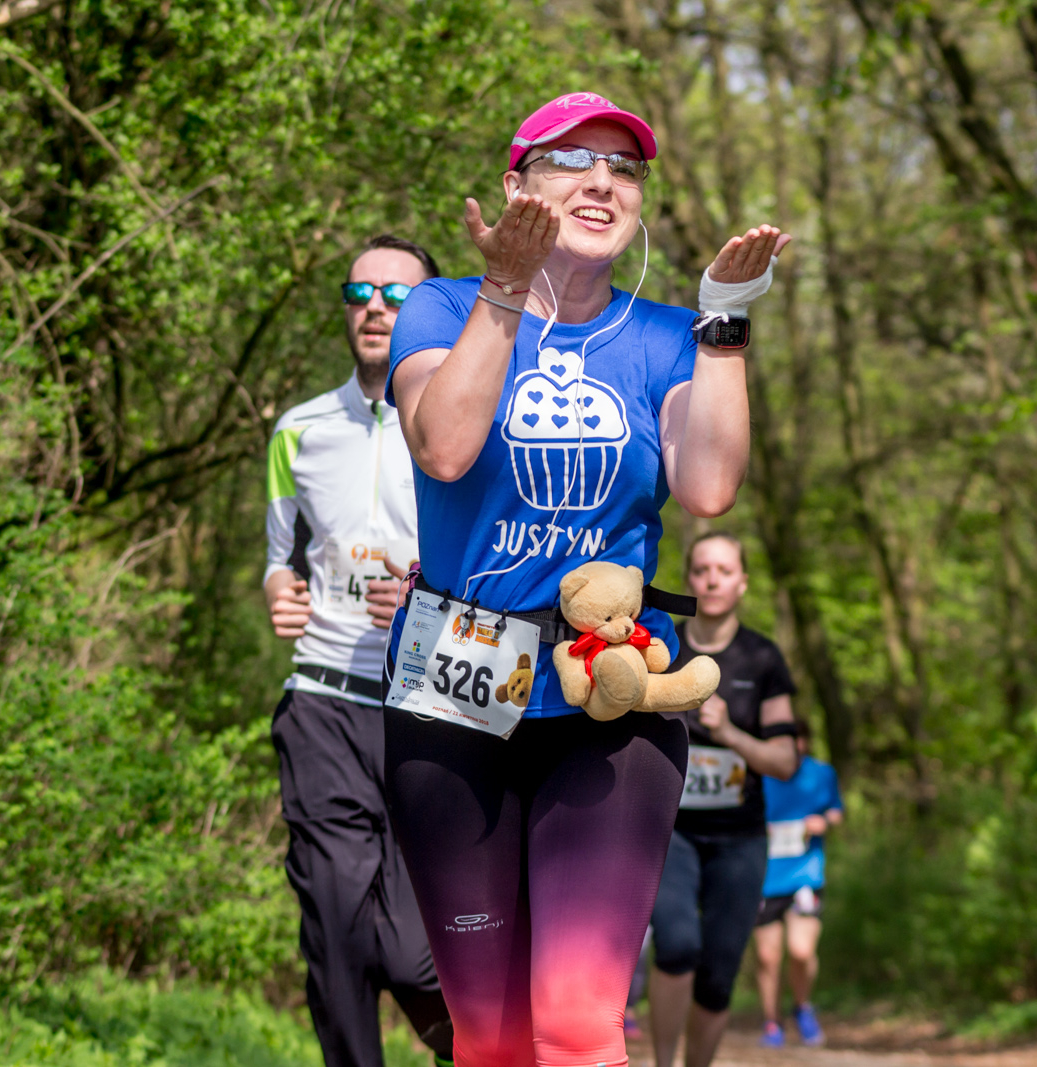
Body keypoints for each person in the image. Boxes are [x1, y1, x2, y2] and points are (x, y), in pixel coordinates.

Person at [382, 90, 791, 1067]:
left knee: (574, 1021)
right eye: (572, 160)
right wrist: (503, 288)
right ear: (516, 186)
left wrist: (724, 322)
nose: (603, 181)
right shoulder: (442, 308)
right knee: (489, 1038)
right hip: (456, 685)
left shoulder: (663, 335)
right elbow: (443, 447)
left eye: (625, 167)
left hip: (611, 691)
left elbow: (709, 486)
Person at [264, 234, 453, 1067]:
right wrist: (277, 588)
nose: (375, 307)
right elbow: (280, 557)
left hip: (430, 705)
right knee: (336, 934)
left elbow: (498, 569)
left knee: (417, 951)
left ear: (433, 309)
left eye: (397, 294)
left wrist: (426, 600)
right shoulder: (298, 430)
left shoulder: (463, 430)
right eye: (359, 291)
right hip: (324, 698)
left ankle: (476, 1049)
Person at [648, 532, 799, 1067]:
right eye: (702, 569)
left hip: (739, 839)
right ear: (689, 578)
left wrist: (731, 734)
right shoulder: (661, 645)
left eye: (724, 571)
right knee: (676, 946)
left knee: (717, 972)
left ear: (742, 583)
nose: (712, 580)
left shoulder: (762, 658)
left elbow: (785, 761)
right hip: (670, 832)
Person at [752, 717, 844, 1047]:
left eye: (799, 739)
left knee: (801, 951)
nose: (794, 746)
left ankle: (803, 1007)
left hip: (806, 874)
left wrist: (824, 822)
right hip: (764, 877)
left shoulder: (822, 773)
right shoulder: (757, 771)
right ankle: (771, 1022)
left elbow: (836, 811)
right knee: (767, 956)